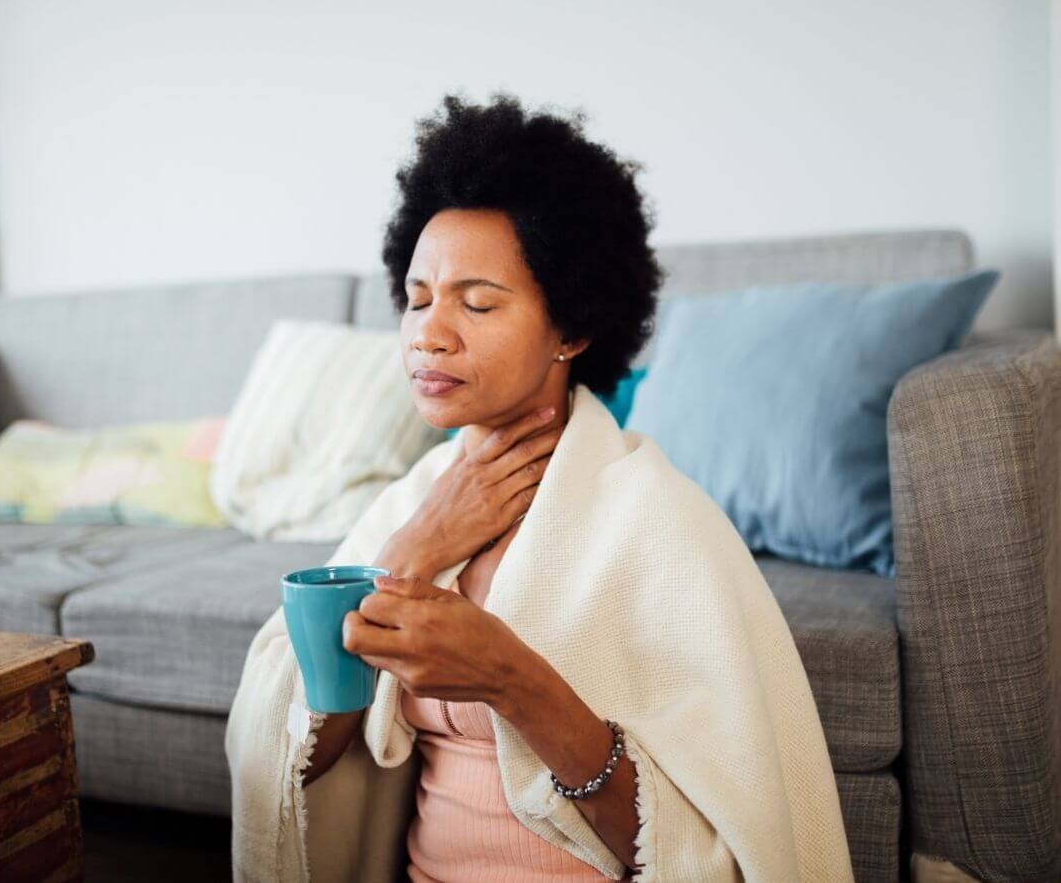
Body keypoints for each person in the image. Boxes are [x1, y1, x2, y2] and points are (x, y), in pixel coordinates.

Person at [225, 90, 853, 883]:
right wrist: (414, 552)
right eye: (417, 299)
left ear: (573, 328)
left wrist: (513, 681)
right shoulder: (413, 503)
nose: (429, 332)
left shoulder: (658, 523)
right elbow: (301, 766)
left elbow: (706, 856)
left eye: (477, 302)